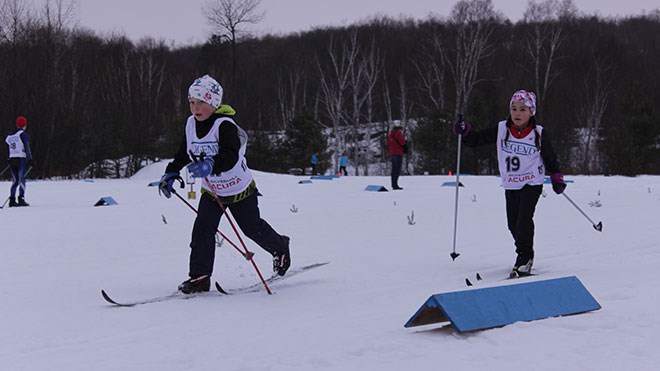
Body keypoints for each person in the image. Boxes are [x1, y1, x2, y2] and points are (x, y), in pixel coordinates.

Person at [158, 75, 291, 294]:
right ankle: (200, 277)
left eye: (202, 102)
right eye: (192, 102)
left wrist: (210, 165)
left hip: (239, 189)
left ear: (214, 103)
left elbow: (231, 156)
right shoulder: (191, 124)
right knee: (202, 230)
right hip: (212, 192)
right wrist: (171, 172)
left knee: (251, 228)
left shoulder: (225, 125)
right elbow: (184, 152)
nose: (196, 108)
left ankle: (280, 247)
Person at [453, 90, 566, 278]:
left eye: (523, 109)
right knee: (512, 224)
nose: (517, 113)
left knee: (523, 220)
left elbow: (550, 157)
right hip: (511, 183)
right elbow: (476, 140)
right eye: (514, 109)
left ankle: (524, 258)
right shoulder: (501, 129)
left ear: (531, 112)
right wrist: (465, 132)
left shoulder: (538, 133)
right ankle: (523, 249)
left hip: (532, 182)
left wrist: (556, 176)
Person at [5, 116, 33, 207]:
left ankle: (12, 200)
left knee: (15, 180)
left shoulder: (10, 135)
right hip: (21, 159)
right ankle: (21, 198)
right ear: (25, 125)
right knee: (22, 179)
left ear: (17, 125)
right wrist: (30, 159)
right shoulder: (23, 134)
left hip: (12, 159)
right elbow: (27, 147)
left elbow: (9, 144)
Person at [387, 125, 406, 190]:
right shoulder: (399, 134)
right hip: (398, 153)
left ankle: (393, 184)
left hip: (391, 153)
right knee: (397, 170)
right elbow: (402, 143)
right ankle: (395, 185)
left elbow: (388, 144)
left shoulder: (390, 135)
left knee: (393, 170)